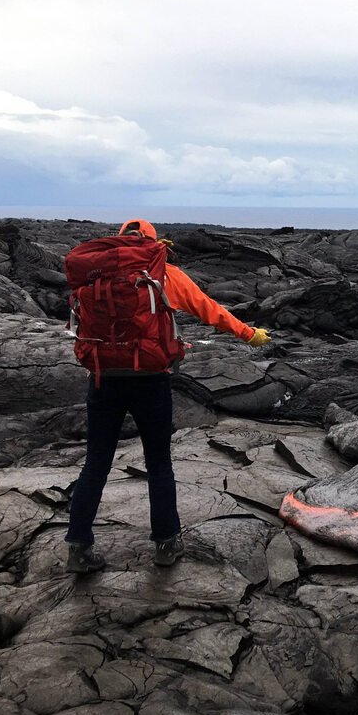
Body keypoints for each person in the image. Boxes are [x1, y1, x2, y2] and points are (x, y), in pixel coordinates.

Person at [64, 219, 272, 574]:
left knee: (96, 463)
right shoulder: (163, 271)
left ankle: (79, 549)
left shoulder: (93, 272)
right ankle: (166, 544)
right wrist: (249, 333)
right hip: (150, 378)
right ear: (151, 241)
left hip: (103, 377)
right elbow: (209, 309)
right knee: (159, 462)